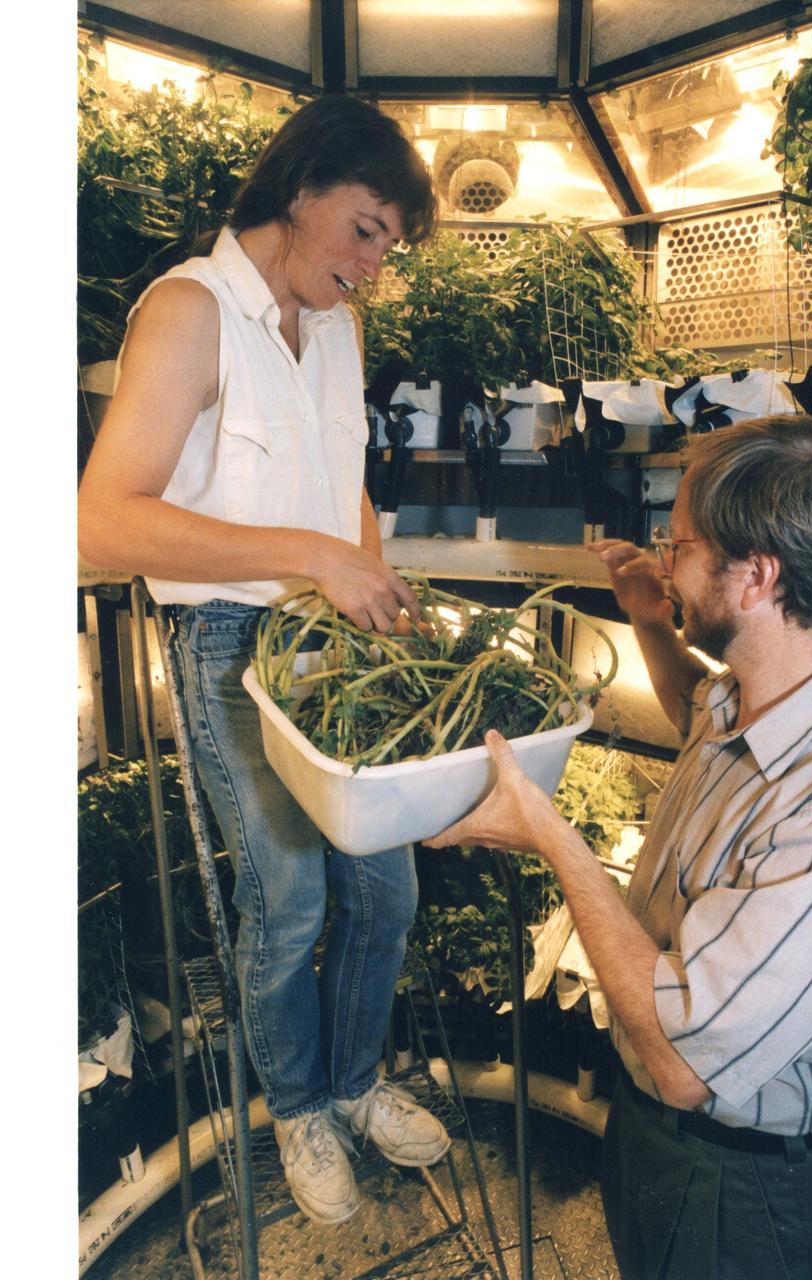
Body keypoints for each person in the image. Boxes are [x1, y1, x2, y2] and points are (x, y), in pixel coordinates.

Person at [424, 415, 812, 1279]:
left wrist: (550, 839)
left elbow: (683, 1064)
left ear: (755, 575)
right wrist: (648, 620)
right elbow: (700, 730)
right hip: (667, 1147)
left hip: (750, 1194)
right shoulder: (757, 696)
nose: (665, 563)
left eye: (680, 548)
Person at [78, 94, 452, 1226]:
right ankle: (296, 1104)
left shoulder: (337, 325)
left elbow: (350, 493)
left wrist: (370, 587)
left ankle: (349, 1081)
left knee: (387, 883)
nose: (377, 264)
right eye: (370, 228)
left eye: (393, 243)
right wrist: (312, 556)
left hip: (335, 646)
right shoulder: (190, 311)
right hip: (233, 642)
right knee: (287, 895)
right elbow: (98, 524)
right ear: (302, 187)